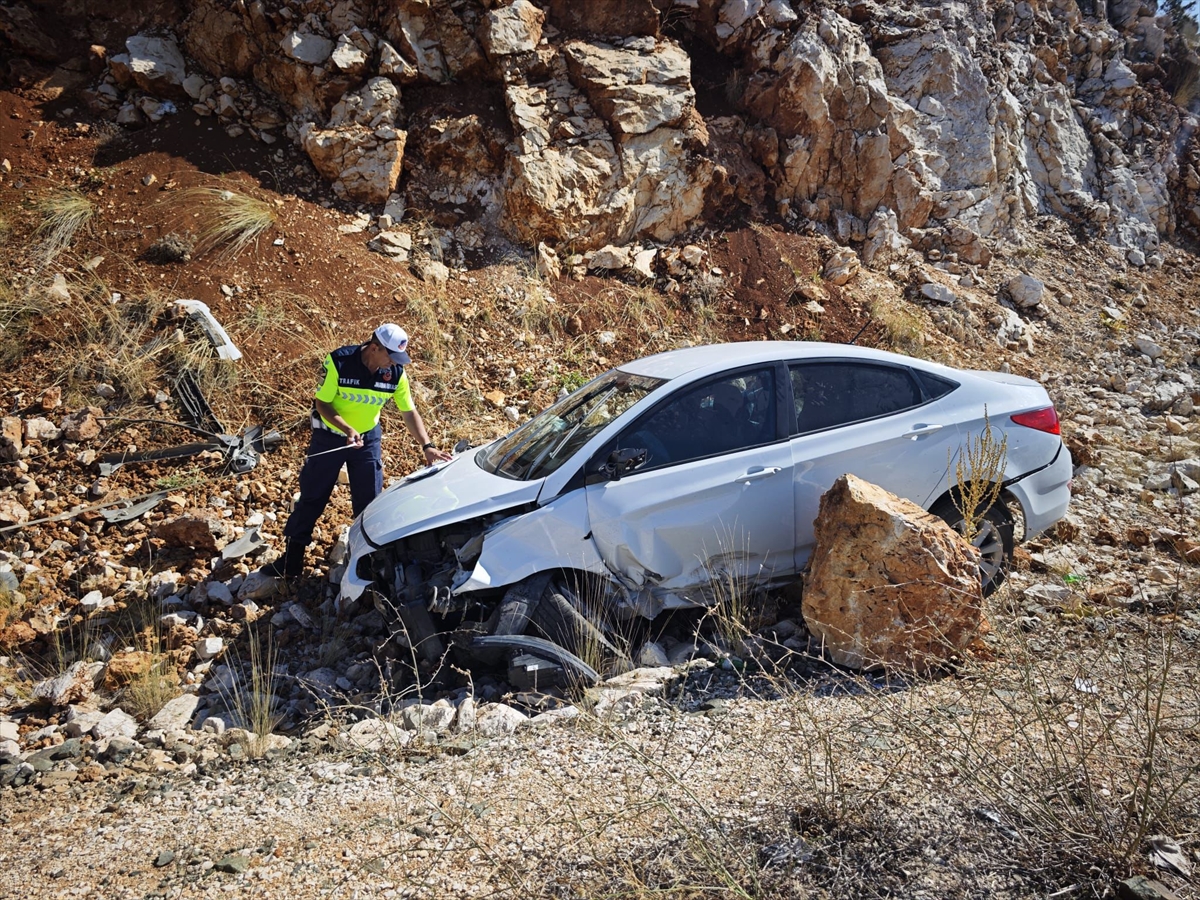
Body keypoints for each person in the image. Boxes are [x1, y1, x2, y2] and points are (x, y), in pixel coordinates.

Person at [262, 323, 452, 578]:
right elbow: (322, 404)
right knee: (312, 496)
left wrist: (427, 446)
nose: (394, 363)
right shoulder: (339, 363)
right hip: (330, 437)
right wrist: (346, 429)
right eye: (391, 356)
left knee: (370, 502)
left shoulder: (395, 373)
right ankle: (291, 561)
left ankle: (367, 563)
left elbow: (409, 411)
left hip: (367, 439)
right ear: (374, 348)